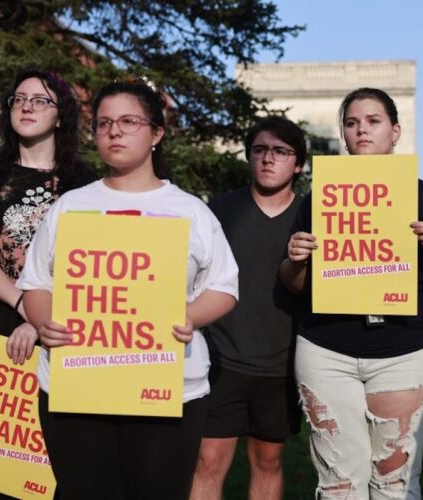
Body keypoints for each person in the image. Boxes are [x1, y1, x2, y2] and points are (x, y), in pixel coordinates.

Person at [17, 80, 238, 499]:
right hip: (77, 388)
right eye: (104, 124)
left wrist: (191, 315)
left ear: (156, 133)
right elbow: (36, 284)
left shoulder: (191, 210)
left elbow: (224, 287)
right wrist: (44, 321)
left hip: (169, 390)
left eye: (129, 121)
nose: (114, 132)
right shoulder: (70, 206)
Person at [281, 88, 423, 499]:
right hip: (327, 351)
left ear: (395, 131)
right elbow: (292, 286)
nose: (361, 130)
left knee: (396, 483)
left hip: (404, 352)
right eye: (351, 123)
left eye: (373, 121)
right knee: (339, 483)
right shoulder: (321, 199)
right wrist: (295, 259)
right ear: (344, 136)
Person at [0, 68, 96, 414]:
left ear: (60, 115)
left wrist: (40, 320)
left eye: (39, 100)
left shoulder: (86, 184)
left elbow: (91, 262)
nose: (26, 107)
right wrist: (24, 306)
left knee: (59, 449)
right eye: (18, 99)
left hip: (64, 321)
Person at [190, 116, 304, 500]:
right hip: (223, 357)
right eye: (260, 150)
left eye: (281, 151)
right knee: (208, 460)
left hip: (281, 363)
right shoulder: (220, 209)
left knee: (268, 461)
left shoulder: (312, 218)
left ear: (298, 163)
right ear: (249, 157)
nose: (269, 159)